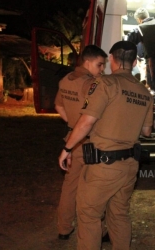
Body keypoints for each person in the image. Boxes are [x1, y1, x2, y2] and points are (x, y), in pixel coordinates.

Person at [58, 41, 153, 249]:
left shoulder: (105, 84)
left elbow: (86, 121)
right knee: (119, 214)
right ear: (135, 62)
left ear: (112, 59)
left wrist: (67, 149)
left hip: (104, 164)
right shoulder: (144, 92)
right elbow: (147, 131)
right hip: (130, 165)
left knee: (89, 214)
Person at [54, 45, 107, 240]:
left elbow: (58, 104)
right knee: (96, 189)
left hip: (72, 141)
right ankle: (98, 231)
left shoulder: (65, 80)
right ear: (87, 61)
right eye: (99, 65)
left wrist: (72, 124)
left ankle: (64, 228)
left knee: (70, 186)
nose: (102, 69)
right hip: (89, 142)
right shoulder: (92, 84)